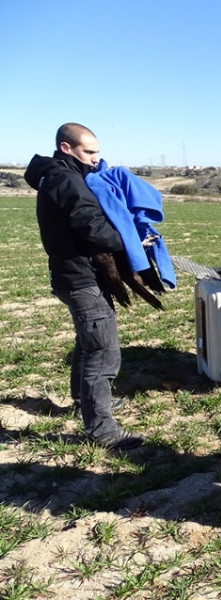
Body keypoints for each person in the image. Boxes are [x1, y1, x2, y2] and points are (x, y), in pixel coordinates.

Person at [23, 123, 144, 451]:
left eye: (97, 152)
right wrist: (132, 241)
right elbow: (92, 227)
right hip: (81, 279)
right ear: (66, 148)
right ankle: (101, 429)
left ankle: (83, 402)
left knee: (88, 342)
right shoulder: (67, 180)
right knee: (102, 350)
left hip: (71, 276)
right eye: (89, 152)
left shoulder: (56, 176)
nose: (95, 159)